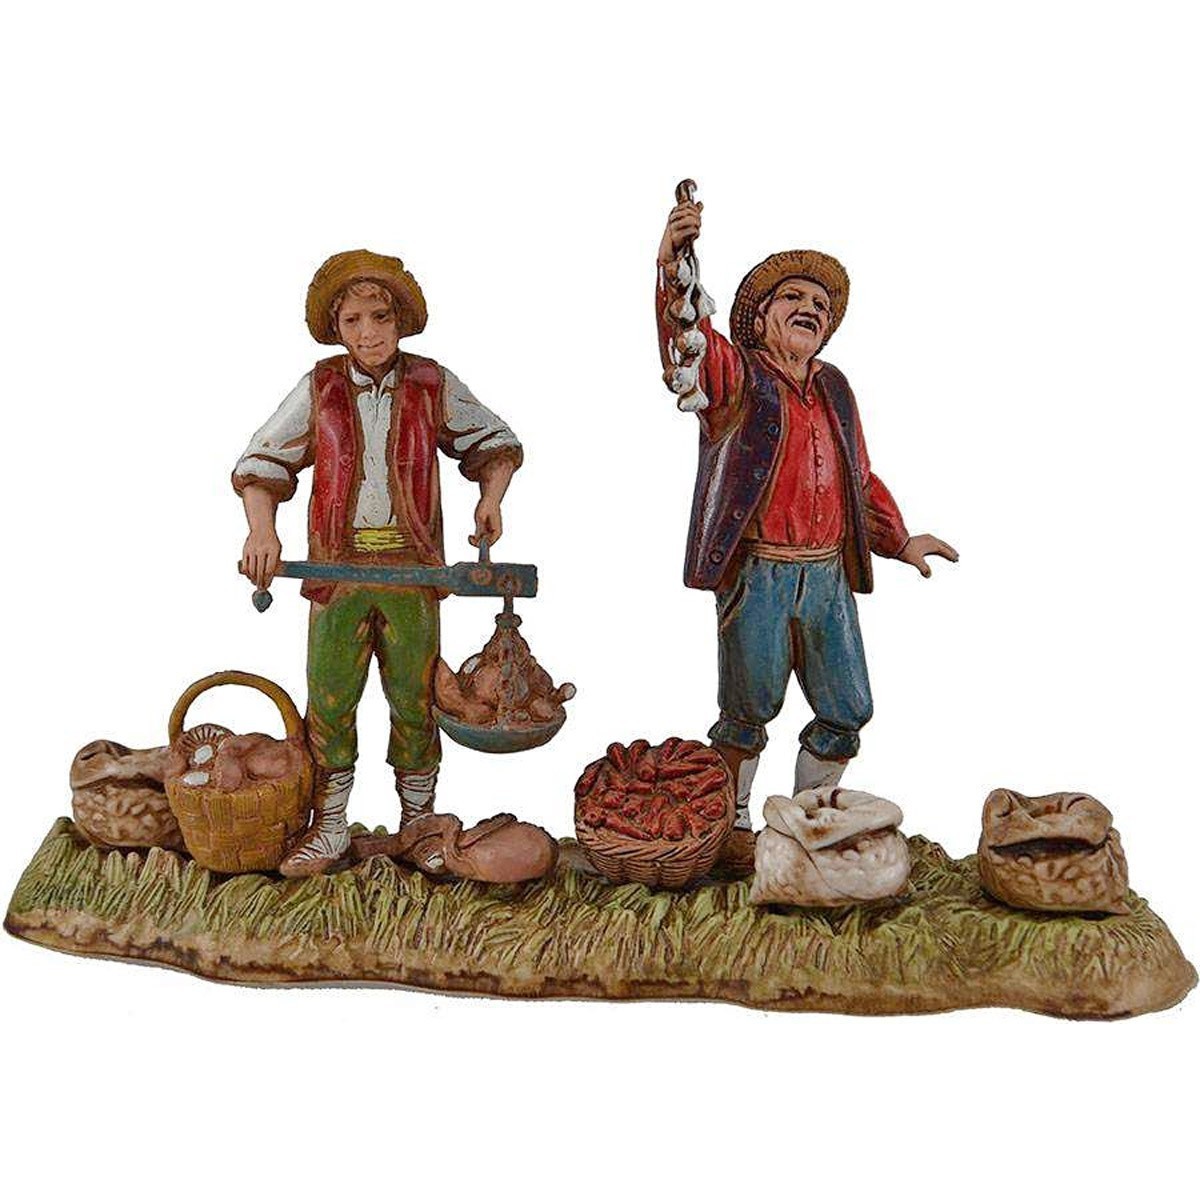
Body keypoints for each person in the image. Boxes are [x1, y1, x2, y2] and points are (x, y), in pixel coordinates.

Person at [656, 199, 957, 874]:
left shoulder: (836, 388)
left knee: (848, 707)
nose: (809, 309)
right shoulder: (737, 376)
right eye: (792, 297)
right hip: (758, 571)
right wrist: (673, 262)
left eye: (820, 304)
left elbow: (858, 476)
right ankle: (731, 827)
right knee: (746, 707)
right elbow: (687, 335)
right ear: (761, 316)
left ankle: (805, 824)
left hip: (826, 576)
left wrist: (899, 539)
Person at [234, 249, 522, 876]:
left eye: (381, 318)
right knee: (330, 696)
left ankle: (419, 824)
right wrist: (262, 531)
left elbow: (494, 441)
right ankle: (330, 825)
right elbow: (263, 461)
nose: (369, 333)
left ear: (401, 322)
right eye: (354, 320)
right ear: (336, 328)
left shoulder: (431, 384)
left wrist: (490, 498)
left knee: (415, 698)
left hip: (412, 571)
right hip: (337, 573)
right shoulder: (320, 387)